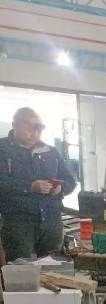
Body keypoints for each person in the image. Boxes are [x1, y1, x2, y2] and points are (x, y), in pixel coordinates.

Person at [0, 107, 77, 262]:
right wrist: (29, 187)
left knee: (53, 268)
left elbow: (70, 181)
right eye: (29, 127)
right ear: (15, 125)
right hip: (19, 224)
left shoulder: (51, 152)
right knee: (20, 269)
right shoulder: (2, 150)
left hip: (51, 222)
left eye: (39, 129)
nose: (35, 133)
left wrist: (60, 188)